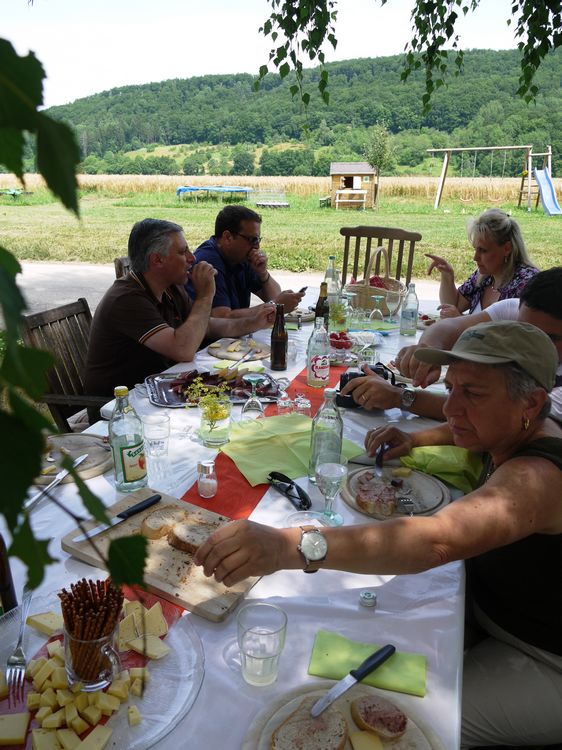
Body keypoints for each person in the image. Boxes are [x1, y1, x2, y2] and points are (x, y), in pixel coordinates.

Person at [195, 320, 562, 748]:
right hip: (490, 614)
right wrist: (416, 440)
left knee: (391, 722)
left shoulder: (540, 477)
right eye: (451, 388)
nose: (451, 408)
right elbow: (461, 426)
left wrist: (288, 545)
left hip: (540, 656)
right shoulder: (518, 426)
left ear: (532, 403)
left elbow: (437, 540)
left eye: (473, 394)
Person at [84, 218, 275, 396]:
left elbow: (206, 326)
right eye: (183, 252)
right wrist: (205, 296)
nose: (192, 258)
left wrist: (255, 322)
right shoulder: (127, 299)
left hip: (158, 387)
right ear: (157, 260)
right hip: (118, 404)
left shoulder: (170, 287)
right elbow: (183, 350)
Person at [342, 267, 562, 420]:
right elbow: (447, 328)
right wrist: (427, 350)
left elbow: (494, 416)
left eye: (549, 337)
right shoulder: (523, 310)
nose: (531, 341)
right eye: (523, 329)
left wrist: (399, 397)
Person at [186, 205, 304, 318]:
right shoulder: (208, 263)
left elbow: (276, 297)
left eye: (258, 240)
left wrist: (263, 274)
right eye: (252, 240)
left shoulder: (241, 258)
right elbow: (222, 317)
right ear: (227, 237)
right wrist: (274, 306)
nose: (257, 246)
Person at [425, 208, 538, 317]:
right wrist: (447, 276)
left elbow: (513, 329)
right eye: (475, 249)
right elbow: (454, 306)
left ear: (507, 248)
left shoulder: (527, 283)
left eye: (483, 250)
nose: (475, 257)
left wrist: (460, 321)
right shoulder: (483, 276)